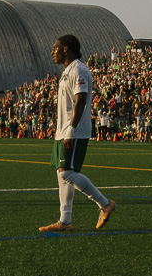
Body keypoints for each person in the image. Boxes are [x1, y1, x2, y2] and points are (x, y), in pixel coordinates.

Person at [39, 35, 116, 233]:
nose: (52, 52)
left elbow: (80, 101)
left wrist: (71, 130)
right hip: (63, 130)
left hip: (75, 130)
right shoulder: (67, 72)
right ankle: (65, 221)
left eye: (55, 48)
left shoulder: (79, 70)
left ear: (66, 49)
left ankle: (105, 204)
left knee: (67, 173)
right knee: (61, 173)